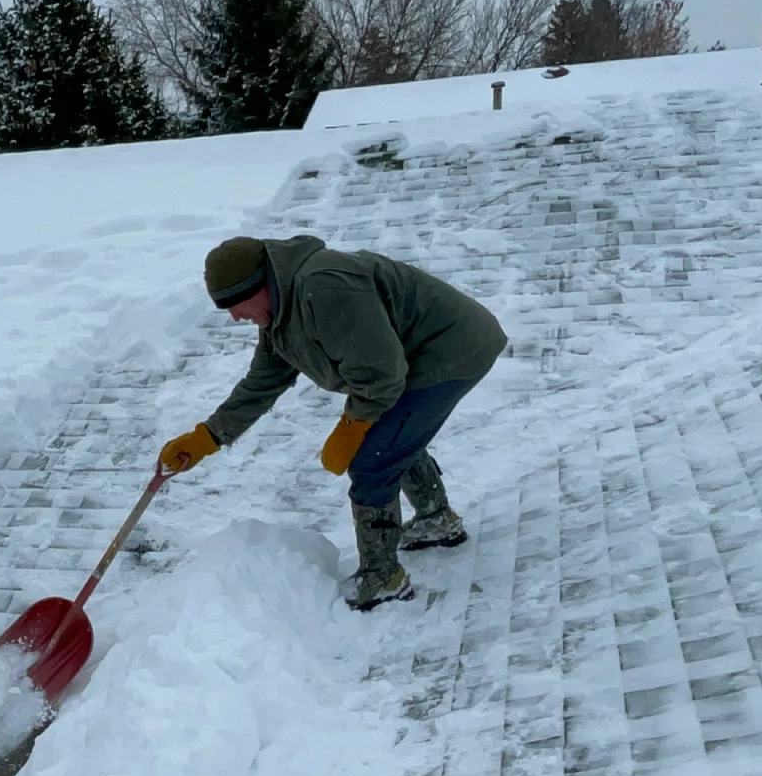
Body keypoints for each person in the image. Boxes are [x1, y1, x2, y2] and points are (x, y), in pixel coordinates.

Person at [160, 235, 506, 609]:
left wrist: (352, 426)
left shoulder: (324, 288)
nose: (235, 317)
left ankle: (383, 576)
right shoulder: (280, 310)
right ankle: (436, 519)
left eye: (236, 304)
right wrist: (207, 436)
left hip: (450, 350)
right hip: (412, 359)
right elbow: (263, 382)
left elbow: (380, 376)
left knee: (372, 457)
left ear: (259, 285)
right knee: (391, 436)